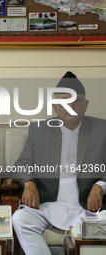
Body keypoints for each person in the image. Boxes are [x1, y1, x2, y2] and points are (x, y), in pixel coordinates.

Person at [12, 71, 106, 254]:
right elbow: (21, 165)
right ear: (55, 106)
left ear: (85, 105)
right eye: (63, 100)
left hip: (88, 208)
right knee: (19, 218)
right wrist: (29, 183)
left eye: (76, 100)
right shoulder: (39, 130)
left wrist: (100, 186)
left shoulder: (102, 130)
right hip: (48, 206)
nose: (70, 105)